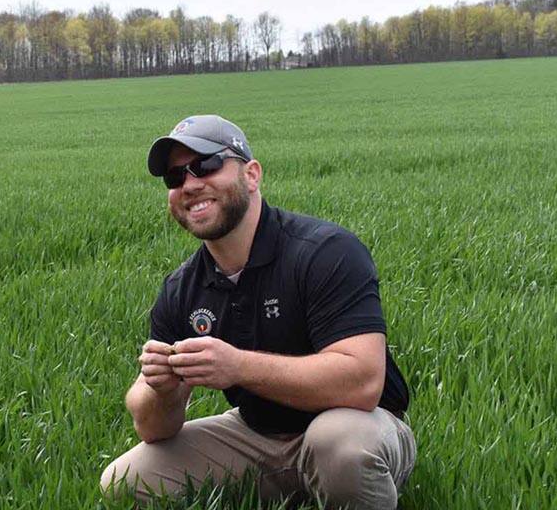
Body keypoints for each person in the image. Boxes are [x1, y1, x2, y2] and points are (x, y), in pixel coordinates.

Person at [100, 115, 415, 509]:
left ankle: (351, 482)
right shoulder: (183, 288)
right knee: (124, 479)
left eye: (207, 165)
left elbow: (363, 383)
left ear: (251, 174)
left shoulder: (325, 251)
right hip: (257, 433)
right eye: (175, 177)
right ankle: (302, 488)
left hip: (358, 423)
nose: (190, 184)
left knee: (340, 448)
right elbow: (153, 427)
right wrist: (160, 389)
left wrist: (238, 367)